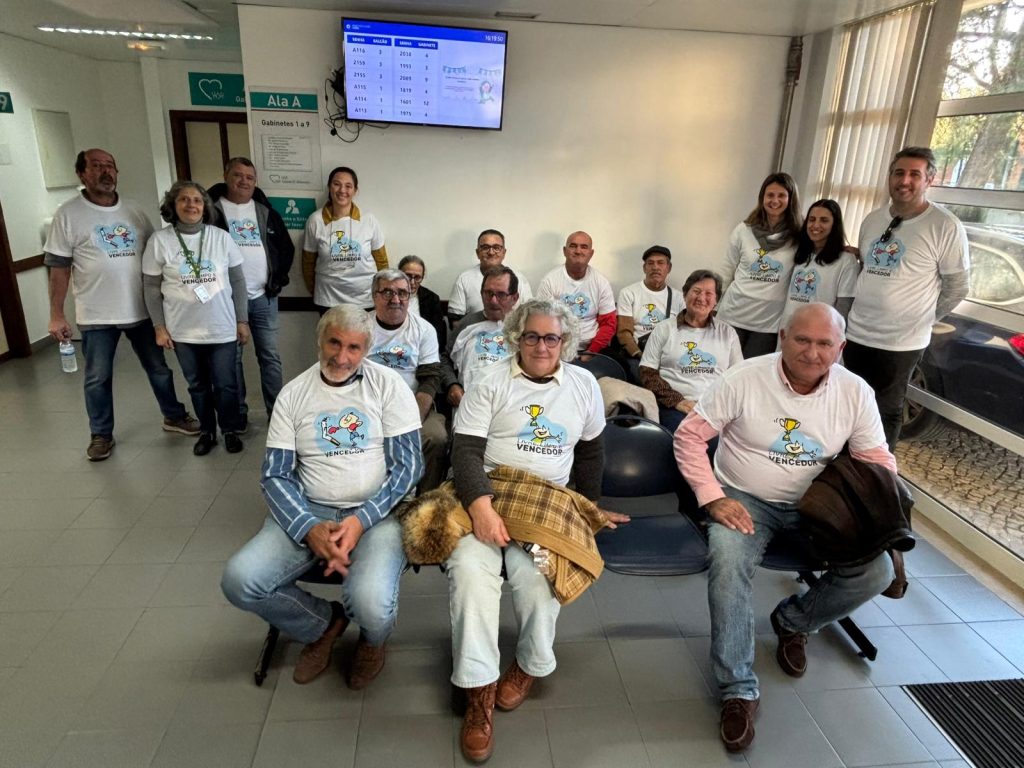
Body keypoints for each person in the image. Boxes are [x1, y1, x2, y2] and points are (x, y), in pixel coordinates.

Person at [674, 302, 896, 753]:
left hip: (821, 504)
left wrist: (887, 510)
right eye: (802, 340)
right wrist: (713, 497)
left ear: (840, 348)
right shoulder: (743, 378)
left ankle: (794, 620)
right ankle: (738, 689)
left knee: (878, 572)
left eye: (824, 343)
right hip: (744, 499)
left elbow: (875, 459)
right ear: (782, 338)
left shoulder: (855, 392)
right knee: (728, 562)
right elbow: (689, 437)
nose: (812, 353)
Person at [447, 298, 626, 762]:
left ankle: (528, 664)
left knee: (537, 576)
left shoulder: (583, 385)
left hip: (548, 502)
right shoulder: (489, 381)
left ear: (565, 342)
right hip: (488, 492)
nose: (541, 346)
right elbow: (465, 453)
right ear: (516, 338)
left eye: (551, 338)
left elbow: (590, 454)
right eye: (532, 336)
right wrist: (481, 507)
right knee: (469, 571)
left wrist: (589, 510)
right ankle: (479, 688)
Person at [221, 305, 422, 689]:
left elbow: (408, 469)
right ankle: (323, 624)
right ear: (320, 339)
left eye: (353, 347)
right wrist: (307, 526)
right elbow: (275, 475)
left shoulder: (389, 386)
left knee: (371, 603)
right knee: (240, 580)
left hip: (377, 514)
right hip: (309, 508)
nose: (342, 357)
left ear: (366, 349)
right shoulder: (294, 394)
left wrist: (360, 520)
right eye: (334, 343)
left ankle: (372, 641)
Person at [43, 148, 198, 461]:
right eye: (96, 166)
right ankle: (101, 434)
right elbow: (58, 268)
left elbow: (157, 257)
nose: (105, 171)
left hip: (141, 310)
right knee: (97, 377)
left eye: (110, 166)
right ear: (81, 173)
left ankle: (173, 415)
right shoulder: (68, 214)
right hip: (96, 314)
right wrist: (56, 314)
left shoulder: (134, 211)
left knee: (158, 369)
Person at [844, 146, 970, 448]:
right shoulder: (872, 220)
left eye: (915, 174)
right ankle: (845, 466)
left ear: (929, 180)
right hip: (858, 332)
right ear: (889, 177)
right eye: (899, 173)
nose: (905, 180)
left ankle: (877, 472)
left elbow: (957, 287)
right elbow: (869, 268)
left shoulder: (945, 226)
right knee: (850, 403)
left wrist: (922, 318)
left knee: (885, 411)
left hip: (900, 343)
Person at [142, 181, 249, 456]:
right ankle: (207, 431)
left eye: (197, 200)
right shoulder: (160, 241)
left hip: (221, 326)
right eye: (184, 200)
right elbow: (151, 288)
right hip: (183, 330)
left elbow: (238, 281)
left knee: (226, 384)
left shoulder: (221, 238)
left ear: (205, 206)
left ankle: (229, 430)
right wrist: (159, 327)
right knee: (197, 385)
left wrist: (242, 320)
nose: (191, 205)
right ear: (173, 206)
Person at [209, 157, 295, 426]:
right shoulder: (211, 211)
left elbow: (286, 248)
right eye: (238, 175)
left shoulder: (265, 211)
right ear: (226, 176)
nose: (244, 181)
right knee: (231, 360)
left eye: (249, 177)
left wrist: (277, 280)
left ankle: (277, 415)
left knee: (270, 357)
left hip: (263, 298)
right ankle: (237, 415)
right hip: (226, 301)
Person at [367, 269, 447, 492]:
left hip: (412, 405)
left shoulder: (424, 330)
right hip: (369, 404)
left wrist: (411, 421)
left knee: (436, 437)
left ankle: (425, 499)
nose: (396, 299)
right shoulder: (360, 327)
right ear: (374, 296)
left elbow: (430, 379)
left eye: (402, 293)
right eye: (387, 292)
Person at [639, 269, 741, 432]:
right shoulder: (664, 329)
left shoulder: (728, 333)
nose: (701, 298)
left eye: (709, 293)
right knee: (691, 436)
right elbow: (647, 373)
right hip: (674, 407)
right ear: (685, 294)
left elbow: (738, 378)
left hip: (716, 408)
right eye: (696, 291)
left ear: (716, 300)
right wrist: (677, 401)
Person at [715, 172, 802, 358]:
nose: (775, 200)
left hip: (767, 323)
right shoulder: (743, 230)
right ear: (762, 197)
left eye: (781, 195)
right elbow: (726, 270)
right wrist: (713, 307)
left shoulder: (799, 235)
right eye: (770, 195)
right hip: (733, 313)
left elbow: (820, 248)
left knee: (752, 371)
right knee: (723, 368)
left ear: (791, 199)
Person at [302, 166, 387, 313]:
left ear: (355, 190)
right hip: (328, 299)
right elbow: (308, 263)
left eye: (348, 186)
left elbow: (382, 261)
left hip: (365, 299)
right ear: (329, 187)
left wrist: (383, 290)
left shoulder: (369, 220)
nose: (342, 190)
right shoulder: (315, 220)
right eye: (337, 184)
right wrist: (314, 290)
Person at [440, 265, 520, 409]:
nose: (493, 300)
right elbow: (445, 359)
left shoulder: (523, 328)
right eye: (488, 293)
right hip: (469, 402)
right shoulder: (466, 324)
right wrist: (452, 385)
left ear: (514, 298)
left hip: (511, 403)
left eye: (501, 295)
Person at [778, 199, 859, 331]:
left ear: (835, 225)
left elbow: (843, 309)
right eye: (812, 219)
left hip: (818, 333)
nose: (816, 225)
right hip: (788, 330)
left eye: (824, 220)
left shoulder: (847, 261)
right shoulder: (798, 253)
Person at [536, 231, 616, 357]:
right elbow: (542, 322)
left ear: (591, 253)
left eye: (584, 247)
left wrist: (591, 352)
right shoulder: (549, 281)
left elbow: (608, 324)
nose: (578, 251)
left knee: (621, 365)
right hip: (557, 349)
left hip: (593, 348)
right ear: (564, 251)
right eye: (573, 246)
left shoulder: (601, 282)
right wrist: (558, 351)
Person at [615, 244, 684, 379]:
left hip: (667, 357)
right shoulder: (628, 293)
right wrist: (642, 357)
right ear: (644, 268)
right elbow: (624, 333)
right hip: (638, 355)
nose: (655, 267)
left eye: (660, 263)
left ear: (669, 268)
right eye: (650, 263)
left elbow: (683, 334)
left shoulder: (679, 298)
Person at [447, 229, 533, 325]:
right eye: (485, 248)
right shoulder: (464, 279)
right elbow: (456, 320)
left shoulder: (519, 279)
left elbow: (529, 315)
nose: (491, 252)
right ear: (477, 253)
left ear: (504, 252)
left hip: (511, 333)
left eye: (496, 248)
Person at [399, 254, 448, 351]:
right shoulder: (389, 296)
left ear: (422, 277)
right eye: (408, 276)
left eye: (417, 277)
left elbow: (439, 334)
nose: (412, 282)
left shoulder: (432, 299)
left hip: (422, 349)